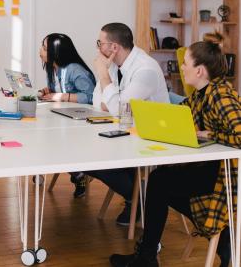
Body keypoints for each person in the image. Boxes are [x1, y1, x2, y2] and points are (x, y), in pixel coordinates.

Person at [110, 31, 240, 267]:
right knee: (162, 184)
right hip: (211, 167)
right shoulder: (201, 94)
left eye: (185, 63)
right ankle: (222, 242)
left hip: (226, 175)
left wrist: (212, 135)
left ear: (199, 70)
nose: (182, 67)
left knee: (160, 182)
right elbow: (179, 114)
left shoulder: (221, 96)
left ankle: (147, 257)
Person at [86, 23, 170, 226]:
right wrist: (113, 99)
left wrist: (104, 77)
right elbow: (97, 100)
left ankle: (139, 199)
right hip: (127, 130)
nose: (98, 49)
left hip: (150, 136)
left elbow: (116, 107)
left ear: (113, 47)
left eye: (100, 43)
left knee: (98, 162)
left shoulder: (145, 69)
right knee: (89, 158)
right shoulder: (115, 64)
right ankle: (136, 197)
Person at [38, 33, 96, 198]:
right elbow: (59, 90)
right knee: (48, 138)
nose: (40, 50)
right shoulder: (52, 68)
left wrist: (61, 96)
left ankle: (79, 175)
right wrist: (49, 91)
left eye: (44, 47)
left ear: (55, 52)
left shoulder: (75, 70)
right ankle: (78, 174)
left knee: (54, 142)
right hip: (64, 118)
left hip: (81, 123)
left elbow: (91, 96)